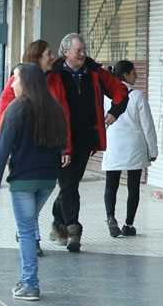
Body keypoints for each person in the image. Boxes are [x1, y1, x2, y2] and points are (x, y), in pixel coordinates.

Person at [0, 64, 68, 302]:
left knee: (26, 230)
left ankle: (30, 283)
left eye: (15, 79)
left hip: (23, 180)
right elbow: (62, 141)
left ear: (27, 82)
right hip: (48, 180)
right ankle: (26, 281)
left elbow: (1, 151)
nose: (12, 84)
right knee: (29, 226)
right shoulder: (54, 108)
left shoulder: (16, 109)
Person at [47, 33, 129, 252]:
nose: (83, 54)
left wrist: (114, 112)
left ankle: (58, 223)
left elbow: (120, 90)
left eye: (84, 49)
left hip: (85, 139)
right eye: (79, 50)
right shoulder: (52, 74)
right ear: (66, 52)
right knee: (68, 184)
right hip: (59, 139)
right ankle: (73, 229)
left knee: (69, 184)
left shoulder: (94, 72)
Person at [102, 60, 157, 238]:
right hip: (134, 147)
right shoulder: (137, 96)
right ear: (125, 75)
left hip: (113, 145)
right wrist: (153, 151)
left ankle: (110, 218)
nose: (137, 76)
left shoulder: (105, 96)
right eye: (134, 73)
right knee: (133, 187)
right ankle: (128, 224)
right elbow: (147, 126)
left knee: (111, 185)